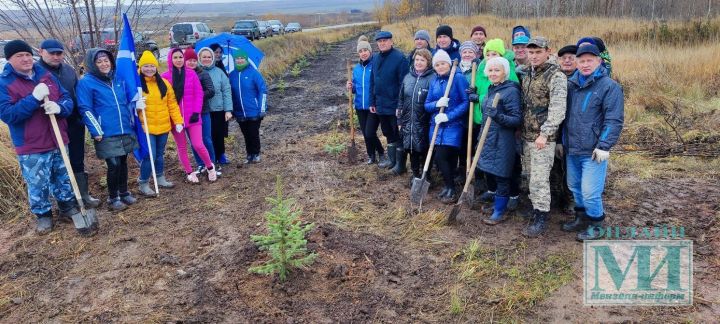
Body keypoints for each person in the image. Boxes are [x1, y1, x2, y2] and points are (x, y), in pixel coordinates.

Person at [0, 40, 90, 235]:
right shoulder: (5, 83)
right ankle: (44, 215)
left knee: (63, 176)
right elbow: (8, 115)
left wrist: (60, 108)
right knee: (37, 182)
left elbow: (66, 98)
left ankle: (67, 206)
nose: (25, 59)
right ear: (10, 59)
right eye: (19, 56)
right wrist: (34, 99)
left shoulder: (45, 75)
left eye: (26, 54)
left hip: (58, 137)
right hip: (32, 144)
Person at [562, 44, 624, 241]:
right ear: (577, 62)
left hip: (593, 150)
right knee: (575, 187)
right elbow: (563, 117)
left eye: (590, 60)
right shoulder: (571, 85)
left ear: (599, 61)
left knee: (590, 191)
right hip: (572, 148)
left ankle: (596, 224)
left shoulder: (609, 87)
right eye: (582, 60)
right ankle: (581, 219)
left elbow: (614, 119)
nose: (586, 64)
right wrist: (559, 142)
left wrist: (604, 145)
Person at [38, 39, 100, 208]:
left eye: (59, 53)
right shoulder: (37, 72)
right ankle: (65, 201)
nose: (56, 56)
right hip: (51, 126)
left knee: (77, 159)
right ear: (41, 52)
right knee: (58, 165)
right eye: (52, 53)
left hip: (73, 123)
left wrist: (82, 118)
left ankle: (83, 195)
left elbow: (78, 94)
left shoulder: (69, 71)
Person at [77, 48, 139, 211]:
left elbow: (125, 101)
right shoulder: (86, 82)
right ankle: (113, 198)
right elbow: (85, 108)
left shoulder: (117, 79)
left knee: (123, 162)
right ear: (92, 64)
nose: (104, 64)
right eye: (99, 61)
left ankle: (124, 192)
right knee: (114, 164)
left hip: (124, 128)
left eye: (106, 61)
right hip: (105, 131)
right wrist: (96, 130)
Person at [517, 37, 567, 237]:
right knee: (530, 176)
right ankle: (535, 208)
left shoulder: (556, 76)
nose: (534, 56)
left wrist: (545, 134)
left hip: (542, 139)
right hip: (527, 136)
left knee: (539, 180)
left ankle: (541, 217)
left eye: (538, 52)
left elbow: (558, 109)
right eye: (531, 52)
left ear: (548, 51)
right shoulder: (528, 73)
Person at [472, 38, 522, 210]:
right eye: (490, 70)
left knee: (502, 174)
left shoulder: (511, 90)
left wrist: (499, 116)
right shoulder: (491, 89)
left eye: (497, 70)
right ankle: (497, 202)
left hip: (503, 140)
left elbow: (516, 119)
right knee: (490, 170)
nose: (493, 73)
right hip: (489, 137)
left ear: (505, 72)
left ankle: (500, 209)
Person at [161, 48, 218, 182]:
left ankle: (210, 167)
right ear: (170, 59)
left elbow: (199, 94)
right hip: (176, 119)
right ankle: (189, 172)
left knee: (198, 144)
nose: (178, 60)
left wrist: (196, 112)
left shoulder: (191, 74)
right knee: (181, 147)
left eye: (180, 57)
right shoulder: (164, 77)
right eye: (175, 57)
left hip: (193, 116)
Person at [135, 51, 184, 196]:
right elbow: (128, 105)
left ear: (156, 67)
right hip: (146, 127)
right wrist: (136, 106)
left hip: (163, 126)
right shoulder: (136, 84)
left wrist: (178, 121)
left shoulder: (164, 84)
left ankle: (160, 177)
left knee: (159, 154)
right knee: (149, 155)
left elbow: (172, 104)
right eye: (146, 66)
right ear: (141, 67)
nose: (149, 69)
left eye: (152, 66)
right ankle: (143, 182)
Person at [424, 49, 469, 203]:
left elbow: (466, 103)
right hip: (436, 125)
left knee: (442, 157)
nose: (440, 66)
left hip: (454, 125)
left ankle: (451, 188)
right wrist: (437, 104)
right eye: (437, 64)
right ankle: (448, 186)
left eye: (443, 63)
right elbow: (427, 105)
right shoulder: (434, 81)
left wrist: (449, 115)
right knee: (443, 160)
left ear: (448, 64)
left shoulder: (458, 78)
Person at [369, 31, 409, 170]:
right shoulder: (375, 58)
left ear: (391, 41)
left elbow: (403, 85)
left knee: (398, 134)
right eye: (379, 41)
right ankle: (392, 161)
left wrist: (400, 104)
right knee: (387, 132)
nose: (382, 43)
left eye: (385, 40)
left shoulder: (399, 58)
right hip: (380, 104)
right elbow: (372, 81)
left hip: (394, 105)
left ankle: (400, 165)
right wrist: (372, 101)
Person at [397, 48, 434, 179]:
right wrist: (400, 119)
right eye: (417, 59)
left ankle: (426, 175)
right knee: (411, 148)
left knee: (424, 149)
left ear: (428, 62)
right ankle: (415, 174)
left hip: (424, 121)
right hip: (408, 121)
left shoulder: (432, 78)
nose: (419, 62)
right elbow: (401, 99)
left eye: (422, 60)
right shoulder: (408, 77)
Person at [550, 44, 578, 214]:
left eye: (571, 57)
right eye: (563, 58)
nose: (567, 61)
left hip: (574, 134)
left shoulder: (581, 80)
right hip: (555, 132)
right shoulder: (554, 78)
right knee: (554, 168)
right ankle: (556, 197)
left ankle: (571, 200)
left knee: (571, 170)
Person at [347, 35, 384, 164]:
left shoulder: (375, 66)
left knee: (370, 133)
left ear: (370, 51)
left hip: (372, 106)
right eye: (360, 51)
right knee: (365, 134)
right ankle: (371, 156)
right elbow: (356, 88)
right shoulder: (356, 69)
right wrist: (351, 87)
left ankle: (381, 153)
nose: (363, 53)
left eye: (365, 50)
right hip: (359, 106)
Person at [229, 48, 267, 164]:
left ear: (246, 59)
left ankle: (256, 153)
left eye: (242, 58)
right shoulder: (232, 75)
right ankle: (249, 154)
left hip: (254, 111)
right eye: (237, 59)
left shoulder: (254, 73)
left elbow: (262, 90)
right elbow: (228, 92)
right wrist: (232, 110)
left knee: (253, 133)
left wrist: (262, 108)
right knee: (245, 134)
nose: (239, 60)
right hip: (239, 112)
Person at [185, 48, 218, 176]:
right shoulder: (181, 75)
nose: (191, 63)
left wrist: (196, 96)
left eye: (194, 60)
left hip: (203, 111)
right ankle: (200, 163)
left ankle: (211, 163)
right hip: (187, 114)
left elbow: (211, 91)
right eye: (189, 60)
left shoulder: (203, 74)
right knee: (194, 141)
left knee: (206, 139)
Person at [197, 47, 233, 167]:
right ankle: (207, 159)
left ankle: (220, 154)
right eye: (204, 57)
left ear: (212, 58)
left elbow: (226, 91)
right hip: (201, 110)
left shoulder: (219, 72)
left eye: (209, 57)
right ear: (199, 58)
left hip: (218, 108)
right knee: (205, 136)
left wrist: (228, 110)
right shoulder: (195, 72)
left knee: (218, 133)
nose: (206, 59)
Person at [456, 41, 481, 185]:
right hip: (460, 113)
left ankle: (474, 173)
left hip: (473, 113)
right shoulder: (456, 69)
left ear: (476, 54)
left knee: (472, 144)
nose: (467, 54)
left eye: (470, 52)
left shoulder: (478, 69)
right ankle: (462, 171)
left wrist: (475, 91)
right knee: (461, 144)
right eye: (464, 52)